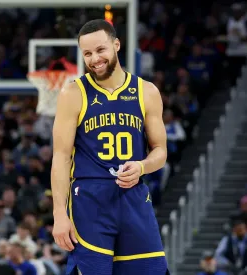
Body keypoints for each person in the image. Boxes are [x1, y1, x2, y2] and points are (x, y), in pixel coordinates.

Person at [51, 19, 168, 275]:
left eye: (100, 50)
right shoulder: (73, 93)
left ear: (116, 45)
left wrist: (142, 166)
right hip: (89, 198)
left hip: (133, 196)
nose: (95, 59)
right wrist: (59, 214)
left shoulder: (146, 91)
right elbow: (60, 157)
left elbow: (160, 152)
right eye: (87, 54)